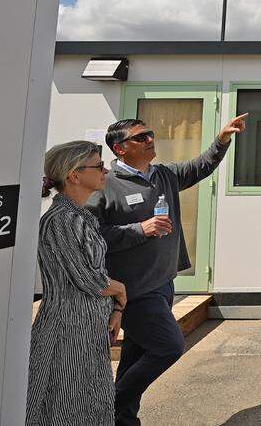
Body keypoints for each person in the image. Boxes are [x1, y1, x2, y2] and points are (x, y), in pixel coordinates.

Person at [91, 113, 246, 425]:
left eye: (150, 134)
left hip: (162, 283)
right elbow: (92, 235)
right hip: (131, 290)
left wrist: (222, 139)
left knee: (135, 354)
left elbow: (201, 166)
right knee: (168, 347)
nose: (150, 140)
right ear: (120, 149)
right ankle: (103, 409)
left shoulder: (163, 175)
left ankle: (121, 418)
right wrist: (141, 228)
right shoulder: (105, 185)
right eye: (141, 137)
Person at [28, 141, 127, 426]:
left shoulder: (78, 217)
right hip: (67, 328)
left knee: (87, 404)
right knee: (64, 407)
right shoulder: (62, 220)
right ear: (74, 175)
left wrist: (116, 309)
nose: (105, 170)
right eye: (98, 165)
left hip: (87, 327)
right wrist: (120, 290)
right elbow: (90, 280)